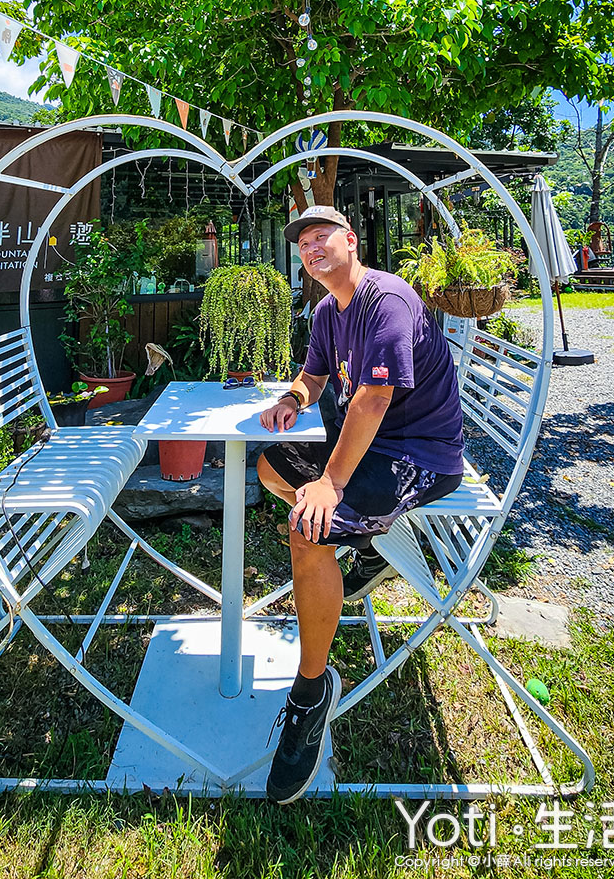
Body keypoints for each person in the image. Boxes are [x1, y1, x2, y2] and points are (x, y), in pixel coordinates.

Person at [257, 205, 464, 803]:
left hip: (419, 456)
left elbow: (372, 400)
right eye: (303, 243)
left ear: (351, 240)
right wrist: (293, 399)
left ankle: (311, 692)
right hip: (370, 447)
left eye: (322, 236)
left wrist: (330, 484)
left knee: (308, 526)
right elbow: (314, 377)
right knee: (269, 466)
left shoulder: (387, 300)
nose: (311, 248)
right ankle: (366, 544)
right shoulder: (328, 310)